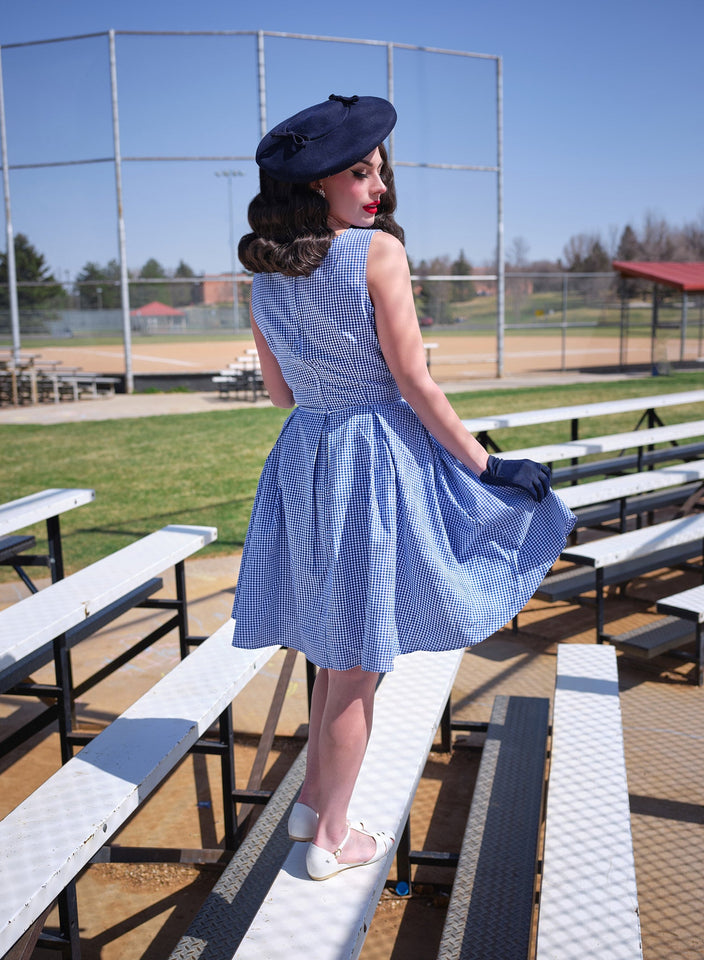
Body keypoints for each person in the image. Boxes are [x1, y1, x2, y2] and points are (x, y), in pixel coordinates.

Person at [232, 94, 575, 881]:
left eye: (379, 168)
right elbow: (414, 382)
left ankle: (314, 804)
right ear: (319, 182)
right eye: (359, 170)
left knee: (334, 651)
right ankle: (331, 842)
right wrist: (488, 466)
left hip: (303, 459)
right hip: (370, 462)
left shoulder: (264, 274)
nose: (377, 183)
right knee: (355, 663)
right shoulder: (377, 253)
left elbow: (281, 395)